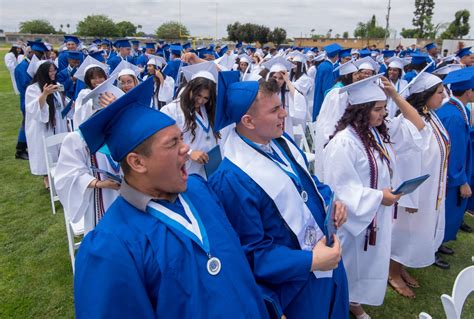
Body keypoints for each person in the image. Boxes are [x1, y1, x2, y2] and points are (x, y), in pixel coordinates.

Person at [73, 78, 270, 318]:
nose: (186, 148)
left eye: (182, 138)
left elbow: (237, 263)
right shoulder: (111, 246)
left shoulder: (199, 190)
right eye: (173, 143)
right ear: (137, 162)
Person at [209, 71, 349, 318]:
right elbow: (250, 253)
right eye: (275, 110)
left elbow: (310, 184)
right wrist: (311, 262)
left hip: (325, 260)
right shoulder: (232, 178)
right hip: (294, 285)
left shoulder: (280, 142)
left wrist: (332, 202)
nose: (284, 114)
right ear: (248, 121)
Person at [322, 74, 426, 318]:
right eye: (378, 109)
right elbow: (341, 189)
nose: (383, 114)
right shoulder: (344, 143)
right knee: (349, 266)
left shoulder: (374, 134)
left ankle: (354, 303)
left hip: (375, 215)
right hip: (353, 222)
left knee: (365, 266)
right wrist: (379, 197)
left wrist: (395, 96)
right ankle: (340, 305)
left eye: (384, 108)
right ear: (361, 110)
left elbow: (418, 127)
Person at [390, 72, 449, 299]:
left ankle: (401, 267)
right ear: (425, 95)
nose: (444, 96)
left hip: (430, 189)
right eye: (440, 92)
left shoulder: (432, 116)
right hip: (415, 192)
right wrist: (409, 198)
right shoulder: (408, 123)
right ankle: (392, 273)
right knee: (404, 232)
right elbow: (405, 162)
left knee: (416, 233)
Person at [436, 67, 474, 252]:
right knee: (445, 213)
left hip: (448, 174)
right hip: (451, 177)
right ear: (468, 92)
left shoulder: (454, 109)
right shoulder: (454, 116)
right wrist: (462, 181)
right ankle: (434, 248)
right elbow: (455, 152)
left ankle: (438, 243)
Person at [161, 62, 219, 178]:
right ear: (189, 89)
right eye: (198, 95)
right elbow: (164, 141)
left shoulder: (207, 110)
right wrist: (190, 152)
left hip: (208, 168)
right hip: (185, 169)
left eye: (205, 98)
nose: (200, 101)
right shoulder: (171, 110)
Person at [25, 61, 69, 189]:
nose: (53, 73)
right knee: (46, 152)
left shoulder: (57, 85)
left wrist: (69, 105)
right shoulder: (33, 89)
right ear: (43, 72)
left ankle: (61, 176)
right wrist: (44, 94)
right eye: (50, 71)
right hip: (42, 127)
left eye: (54, 70)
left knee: (60, 149)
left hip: (58, 124)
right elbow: (33, 109)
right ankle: (47, 178)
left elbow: (62, 102)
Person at [313, 61, 359, 178]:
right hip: (329, 134)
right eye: (355, 75)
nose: (357, 77)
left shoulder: (341, 89)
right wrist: (332, 139)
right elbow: (335, 118)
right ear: (347, 76)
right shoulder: (339, 93)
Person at [14, 41, 49, 160]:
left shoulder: (33, 64)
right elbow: (25, 84)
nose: (40, 56)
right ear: (32, 53)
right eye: (39, 54)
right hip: (28, 100)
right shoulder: (22, 67)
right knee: (27, 124)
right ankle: (20, 149)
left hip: (37, 98)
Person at [262, 57, 307, 138]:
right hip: (268, 130)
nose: (277, 80)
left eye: (281, 78)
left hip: (285, 131)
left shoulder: (287, 94)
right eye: (275, 77)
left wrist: (287, 80)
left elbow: (300, 102)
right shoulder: (264, 94)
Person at [312, 43, 341, 121]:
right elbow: (327, 88)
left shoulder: (322, 65)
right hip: (324, 98)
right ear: (336, 56)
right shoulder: (329, 68)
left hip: (318, 94)